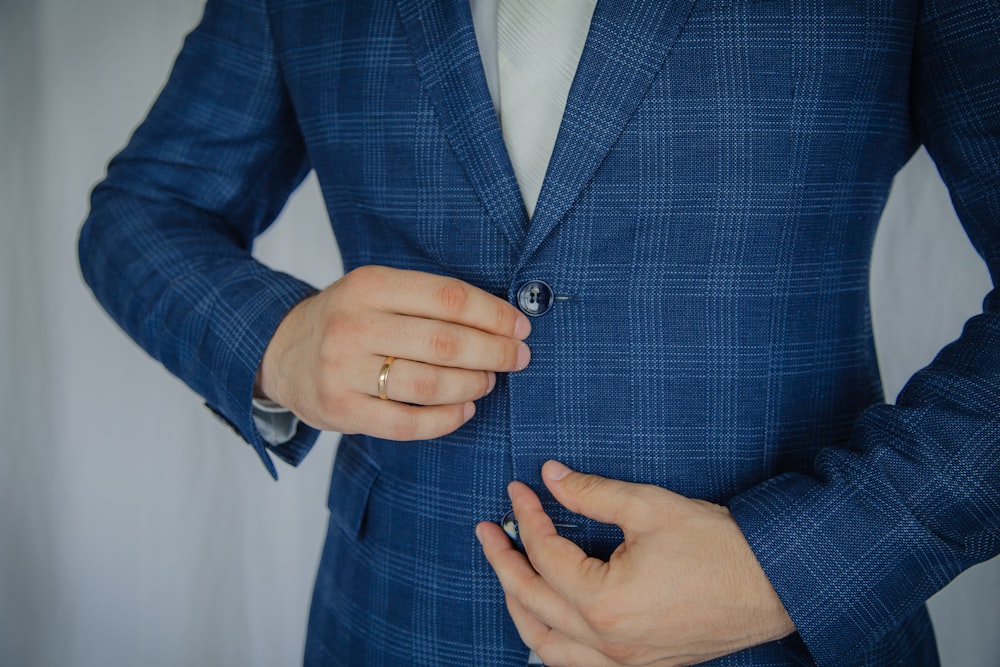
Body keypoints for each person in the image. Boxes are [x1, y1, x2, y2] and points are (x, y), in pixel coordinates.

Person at [78, 0, 1000, 665]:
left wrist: (787, 568)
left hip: (779, 637)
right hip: (398, 619)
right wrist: (279, 341)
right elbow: (145, 209)